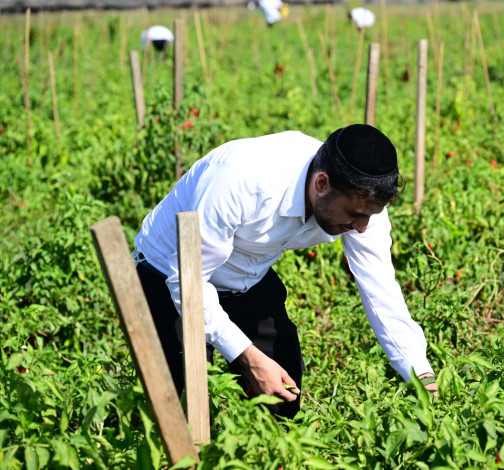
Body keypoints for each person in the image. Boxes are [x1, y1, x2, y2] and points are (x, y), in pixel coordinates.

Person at [133, 125, 437, 419]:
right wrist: (249, 359)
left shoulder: (363, 206)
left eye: (369, 217)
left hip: (247, 276)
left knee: (283, 397)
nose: (361, 227)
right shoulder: (240, 179)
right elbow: (189, 283)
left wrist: (420, 372)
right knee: (182, 408)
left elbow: (380, 288)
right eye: (354, 216)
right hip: (169, 275)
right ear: (321, 184)